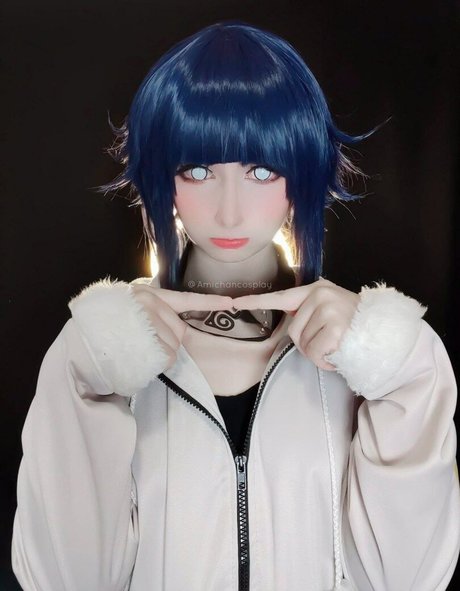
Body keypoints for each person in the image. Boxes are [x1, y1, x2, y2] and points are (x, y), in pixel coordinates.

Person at [11, 21, 460, 591]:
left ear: (301, 173)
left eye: (261, 170)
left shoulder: (370, 360)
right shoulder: (95, 356)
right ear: (161, 178)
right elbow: (63, 580)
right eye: (198, 171)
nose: (229, 211)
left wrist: (399, 368)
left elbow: (409, 579)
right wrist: (89, 379)